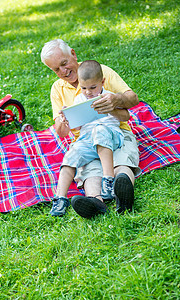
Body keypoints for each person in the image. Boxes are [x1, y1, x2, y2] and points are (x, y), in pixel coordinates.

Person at [40, 39, 141, 218]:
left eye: (64, 63)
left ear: (73, 54)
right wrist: (64, 122)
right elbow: (61, 132)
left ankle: (123, 196)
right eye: (56, 69)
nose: (63, 71)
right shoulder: (57, 89)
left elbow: (133, 99)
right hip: (85, 140)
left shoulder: (99, 71)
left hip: (117, 133)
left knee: (122, 163)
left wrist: (115, 101)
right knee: (90, 172)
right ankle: (95, 202)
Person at [51, 60, 130, 216]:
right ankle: (60, 198)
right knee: (71, 156)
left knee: (99, 130)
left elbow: (126, 116)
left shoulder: (109, 96)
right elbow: (77, 127)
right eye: (84, 87)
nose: (88, 92)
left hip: (111, 135)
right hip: (87, 139)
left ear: (102, 82)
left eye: (93, 88)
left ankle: (108, 180)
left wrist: (111, 109)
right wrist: (68, 117)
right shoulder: (79, 99)